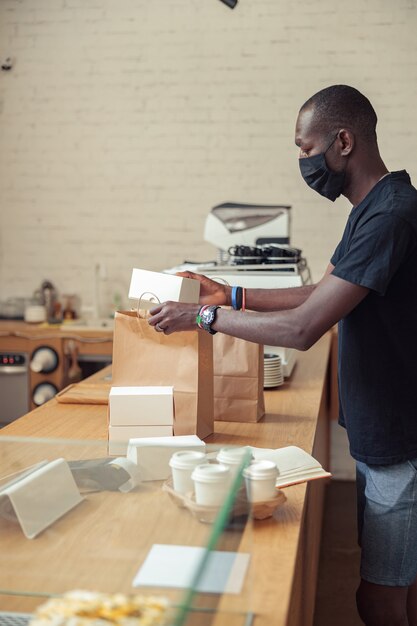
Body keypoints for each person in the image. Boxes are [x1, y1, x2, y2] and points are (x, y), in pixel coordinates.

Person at [148, 84, 417, 626]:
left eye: (305, 148)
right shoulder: (374, 208)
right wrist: (230, 294)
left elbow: (302, 328)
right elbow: (323, 292)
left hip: (399, 441)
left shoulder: (391, 215)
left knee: (379, 598)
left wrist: (201, 317)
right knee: (400, 588)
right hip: (383, 434)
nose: (304, 161)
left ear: (343, 141)